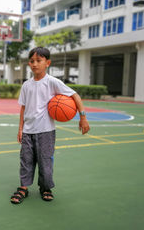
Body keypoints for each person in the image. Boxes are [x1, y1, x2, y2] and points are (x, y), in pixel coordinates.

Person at [10, 47, 90, 204]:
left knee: (45, 162)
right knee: (26, 160)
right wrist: (20, 129)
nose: (35, 64)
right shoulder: (26, 85)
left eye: (39, 61)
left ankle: (45, 188)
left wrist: (83, 117)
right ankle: (23, 188)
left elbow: (75, 95)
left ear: (47, 63)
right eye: (32, 61)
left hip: (46, 131)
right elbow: (23, 108)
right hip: (28, 131)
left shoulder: (52, 82)